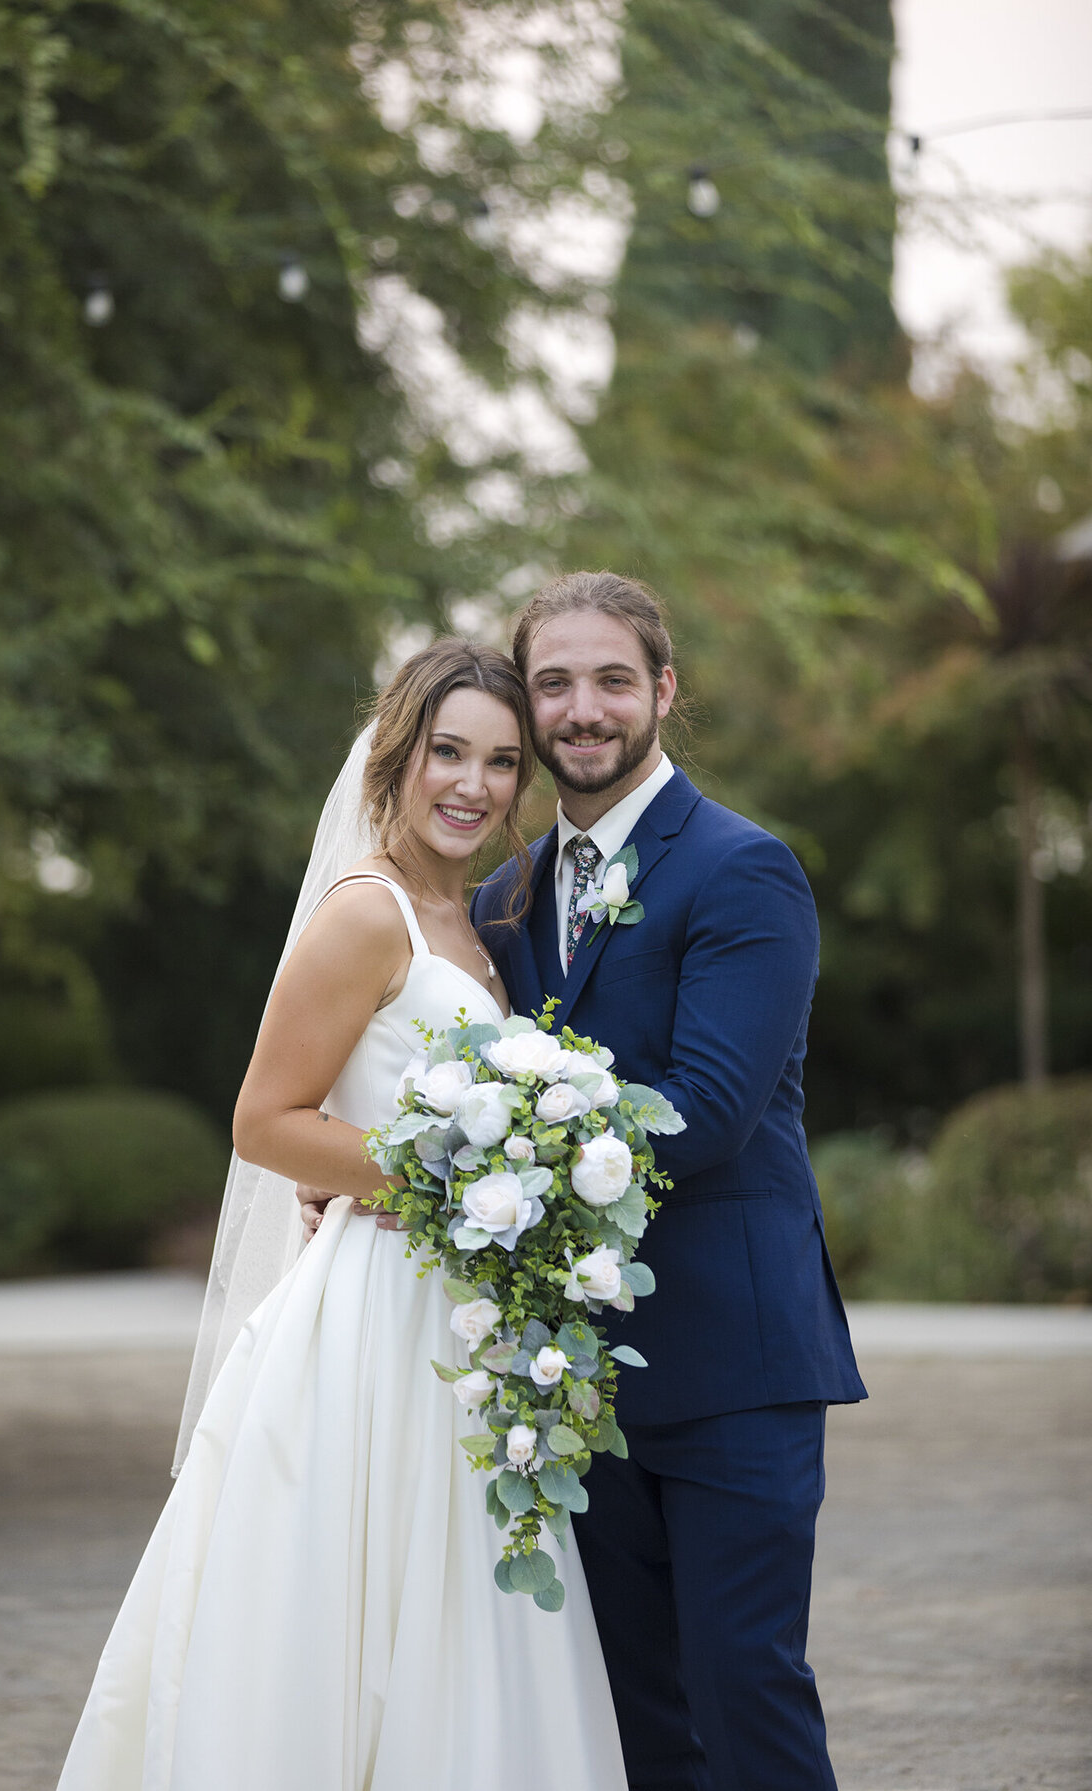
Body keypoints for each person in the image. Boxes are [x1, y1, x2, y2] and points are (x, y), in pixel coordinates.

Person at [55, 638, 629, 1791]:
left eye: (502, 762)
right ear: (397, 754)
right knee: (345, 1604)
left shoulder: (478, 923)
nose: (472, 784)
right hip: (374, 1320)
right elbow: (266, 1120)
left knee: (465, 1607)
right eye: (447, 752)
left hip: (467, 1324)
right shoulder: (369, 914)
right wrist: (444, 1176)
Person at [471, 572, 867, 1791]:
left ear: (664, 692)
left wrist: (467, 1172)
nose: (582, 709)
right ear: (531, 708)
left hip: (731, 1358)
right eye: (554, 684)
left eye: (610, 681)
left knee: (746, 1687)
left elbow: (702, 1113)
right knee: (638, 1711)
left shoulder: (743, 871)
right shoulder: (505, 898)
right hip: (573, 1374)